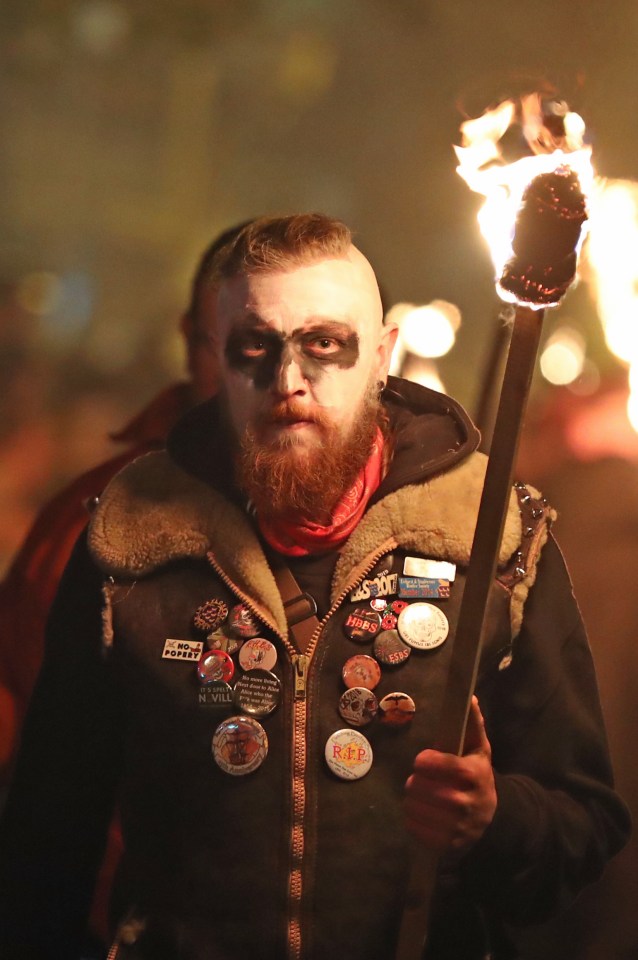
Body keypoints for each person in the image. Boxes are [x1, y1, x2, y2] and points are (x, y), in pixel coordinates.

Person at [0, 214, 629, 960]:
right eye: (255, 348)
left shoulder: (491, 540)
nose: (289, 381)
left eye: (325, 345)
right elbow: (46, 842)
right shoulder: (130, 537)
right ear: (216, 357)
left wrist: (493, 820)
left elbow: (584, 826)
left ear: (382, 358)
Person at [0, 222, 249, 790]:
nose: (261, 378)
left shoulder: (379, 518)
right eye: (231, 344)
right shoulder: (97, 514)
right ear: (189, 341)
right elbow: (22, 693)